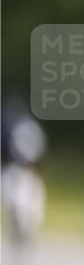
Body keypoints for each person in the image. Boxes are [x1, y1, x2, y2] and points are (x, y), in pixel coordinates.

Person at [1, 95, 48, 244]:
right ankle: (23, 232)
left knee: (18, 204)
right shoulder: (32, 127)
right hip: (24, 171)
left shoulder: (11, 129)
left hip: (17, 171)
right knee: (21, 205)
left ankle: (22, 232)